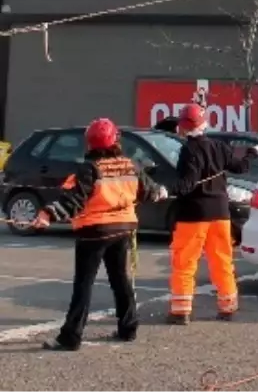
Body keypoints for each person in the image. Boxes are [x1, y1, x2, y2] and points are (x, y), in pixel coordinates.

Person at [35, 118, 169, 350]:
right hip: (123, 228)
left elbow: (74, 201)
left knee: (84, 285)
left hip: (94, 231)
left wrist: (47, 214)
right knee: (120, 280)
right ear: (115, 140)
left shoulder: (89, 169)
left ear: (90, 144)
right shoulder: (131, 165)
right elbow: (150, 191)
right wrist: (161, 192)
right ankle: (128, 328)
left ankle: (71, 337)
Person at [168, 103, 258, 324]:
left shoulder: (188, 150)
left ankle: (181, 310)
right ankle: (228, 306)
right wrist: (252, 154)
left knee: (185, 261)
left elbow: (188, 183)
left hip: (193, 214)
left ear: (184, 127)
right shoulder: (219, 147)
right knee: (222, 261)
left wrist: (168, 190)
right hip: (220, 213)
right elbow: (240, 168)